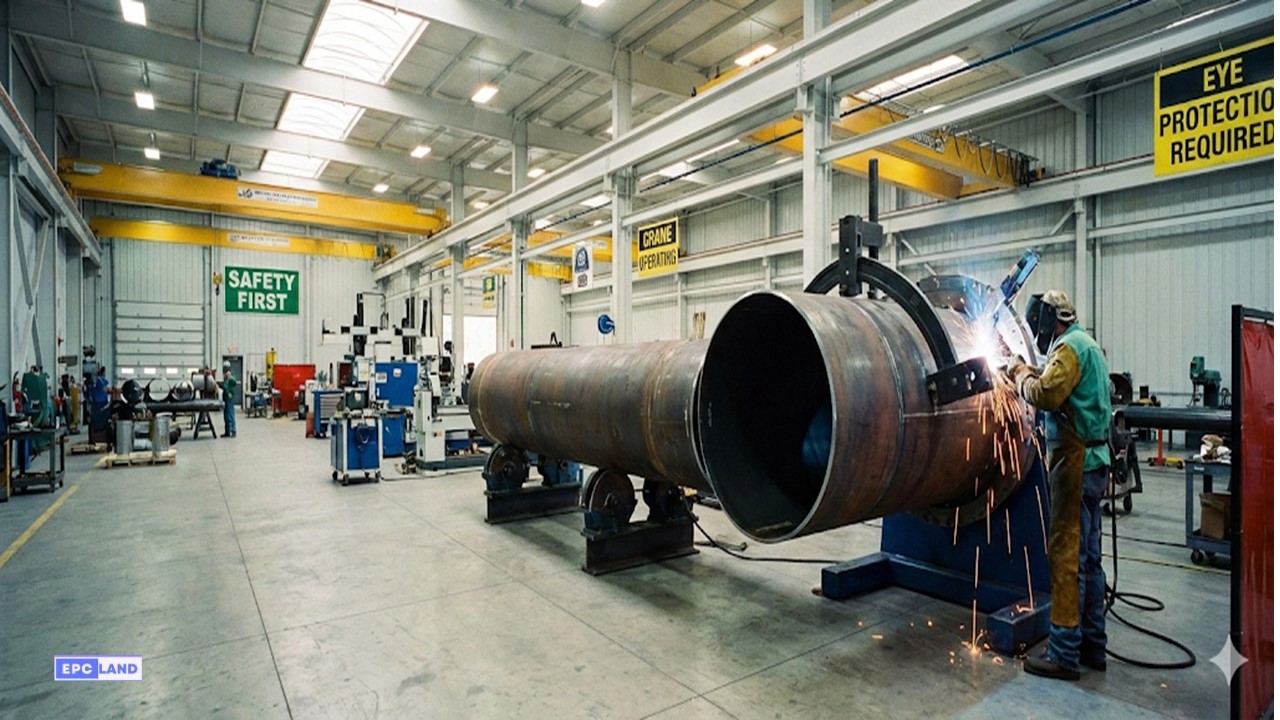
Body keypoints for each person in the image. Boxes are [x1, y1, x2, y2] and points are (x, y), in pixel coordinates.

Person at [1005, 290, 1111, 681]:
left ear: (1052, 322)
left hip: (1075, 464)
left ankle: (1064, 653)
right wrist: (1027, 369)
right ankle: (1093, 645)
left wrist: (1018, 377)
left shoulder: (1067, 348)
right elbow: (1059, 386)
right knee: (1090, 559)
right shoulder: (1089, 345)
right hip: (1097, 464)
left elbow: (1048, 395)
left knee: (1066, 558)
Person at [220, 363, 239, 438]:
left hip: (229, 398)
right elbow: (225, 386)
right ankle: (227, 431)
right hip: (225, 398)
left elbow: (234, 382)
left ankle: (233, 431)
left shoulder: (231, 378)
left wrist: (229, 376)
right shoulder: (225, 378)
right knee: (226, 416)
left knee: (230, 414)